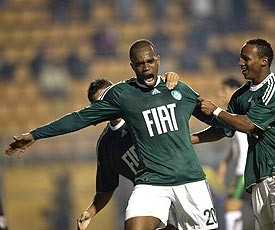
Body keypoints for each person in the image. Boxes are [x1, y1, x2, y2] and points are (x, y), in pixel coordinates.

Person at [6, 39, 218, 230]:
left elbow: (220, 126)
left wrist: (196, 135)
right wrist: (35, 134)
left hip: (190, 181)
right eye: (140, 64)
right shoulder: (121, 105)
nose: (146, 68)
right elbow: (78, 119)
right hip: (152, 182)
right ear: (132, 67)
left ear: (158, 60)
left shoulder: (176, 88)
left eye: (150, 62)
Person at [192, 38, 275, 230]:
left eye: (246, 58)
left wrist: (216, 110)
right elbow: (222, 129)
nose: (240, 63)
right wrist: (188, 139)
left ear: (263, 61)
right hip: (258, 176)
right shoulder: (240, 96)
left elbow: (250, 125)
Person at [77, 78, 179, 230]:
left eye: (109, 98)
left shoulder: (142, 113)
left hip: (178, 181)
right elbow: (107, 187)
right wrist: (90, 212)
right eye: (101, 103)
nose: (108, 105)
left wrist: (169, 78)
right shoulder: (106, 145)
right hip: (150, 194)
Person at [216, 77, 248, 230]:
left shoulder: (241, 113)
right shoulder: (232, 115)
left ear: (235, 90)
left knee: (230, 206)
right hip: (242, 170)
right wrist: (225, 163)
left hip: (245, 171)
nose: (221, 94)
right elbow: (237, 144)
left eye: (224, 90)